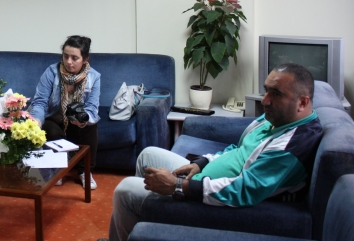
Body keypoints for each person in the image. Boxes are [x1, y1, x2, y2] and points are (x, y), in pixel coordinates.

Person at [105, 63, 323, 241]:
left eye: (275, 94)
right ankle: (144, 224)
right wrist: (201, 163)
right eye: (266, 91)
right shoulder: (276, 120)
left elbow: (244, 190)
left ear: (302, 102)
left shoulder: (292, 146)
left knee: (126, 190)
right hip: (203, 178)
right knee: (148, 155)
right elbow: (238, 149)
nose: (265, 100)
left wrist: (178, 186)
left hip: (213, 197)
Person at [29, 36, 100, 189]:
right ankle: (57, 169)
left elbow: (92, 108)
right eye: (65, 56)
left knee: (90, 126)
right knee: (49, 129)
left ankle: (85, 172)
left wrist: (82, 120)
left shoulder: (94, 77)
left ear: (85, 59)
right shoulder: (51, 72)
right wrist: (36, 121)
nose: (68, 62)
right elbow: (40, 102)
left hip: (75, 120)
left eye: (74, 58)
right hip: (53, 117)